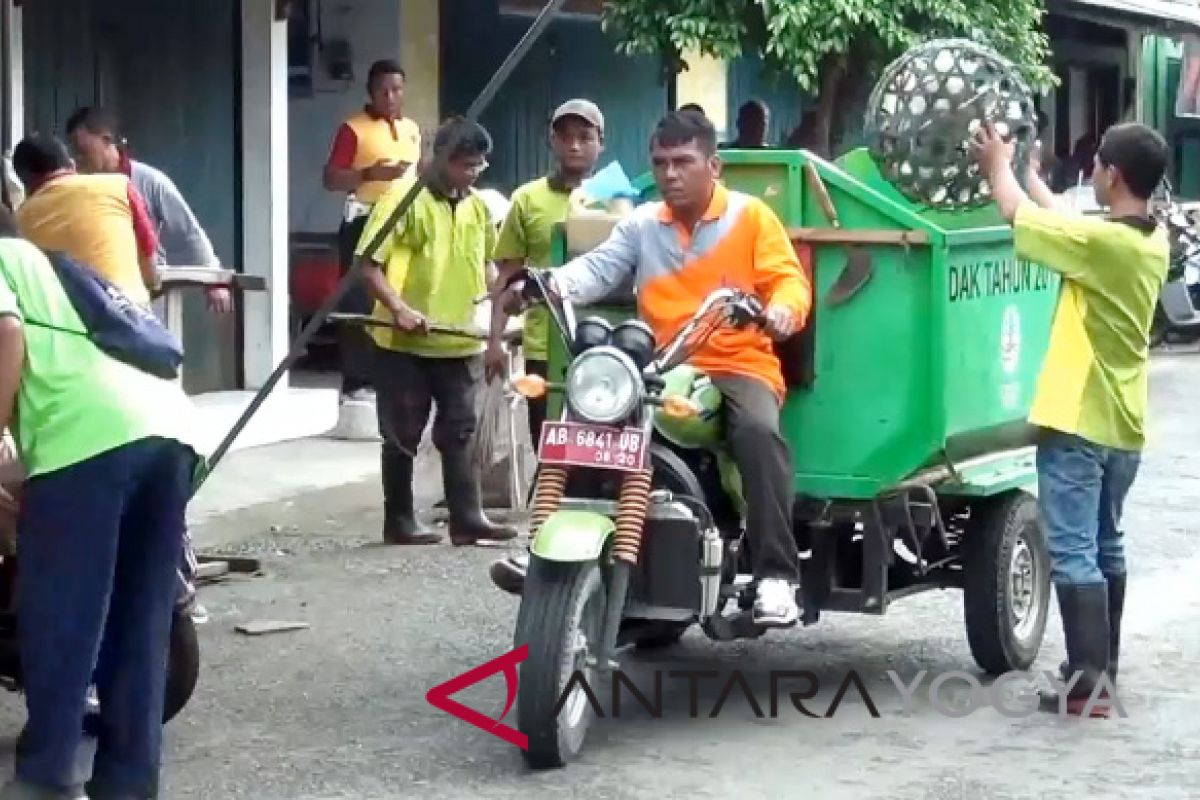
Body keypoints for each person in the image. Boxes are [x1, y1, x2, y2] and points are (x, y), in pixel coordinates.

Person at [493, 111, 810, 627]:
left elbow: (788, 284)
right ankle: (544, 546)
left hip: (735, 361)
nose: (669, 174)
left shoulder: (752, 218)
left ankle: (777, 577)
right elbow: (597, 269)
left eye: (683, 162)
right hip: (659, 364)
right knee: (581, 421)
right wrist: (547, 285)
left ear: (714, 165)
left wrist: (778, 311)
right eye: (660, 163)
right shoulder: (642, 223)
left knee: (757, 433)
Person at [0, 206, 199, 800]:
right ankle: (129, 782)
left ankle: (46, 777)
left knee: (64, 612)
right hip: (170, 433)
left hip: (89, 440)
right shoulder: (56, 268)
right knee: (139, 621)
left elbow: (6, 333)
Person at [974, 121, 1169, 716]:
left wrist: (996, 164)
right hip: (1124, 423)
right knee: (1107, 542)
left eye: (1097, 165)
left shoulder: (1103, 246)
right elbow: (1067, 221)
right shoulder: (1147, 239)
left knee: (1074, 549)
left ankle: (1087, 682)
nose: (1091, 173)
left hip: (1080, 420)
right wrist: (1032, 174)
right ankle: (1100, 669)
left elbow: (1016, 216)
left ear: (1111, 174)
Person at [355, 116, 518, 547]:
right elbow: (367, 264)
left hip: (458, 337)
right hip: (404, 340)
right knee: (402, 432)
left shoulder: (478, 207)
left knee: (459, 430)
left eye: (479, 167)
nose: (472, 174)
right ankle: (400, 520)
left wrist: (500, 307)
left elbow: (486, 266)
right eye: (465, 164)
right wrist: (399, 309)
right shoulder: (402, 201)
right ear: (439, 157)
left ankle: (467, 518)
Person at [485, 98, 606, 434]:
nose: (575, 145)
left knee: (598, 444)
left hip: (602, 340)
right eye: (565, 137)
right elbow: (508, 275)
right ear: (551, 142)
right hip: (543, 342)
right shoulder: (527, 199)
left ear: (601, 143)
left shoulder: (617, 198)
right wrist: (494, 342)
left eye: (585, 137)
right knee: (547, 441)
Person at [64, 106, 233, 314]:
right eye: (74, 152)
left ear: (107, 140)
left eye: (83, 151)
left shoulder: (149, 182)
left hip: (145, 295)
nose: (77, 158)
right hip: (95, 292)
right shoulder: (75, 187)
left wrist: (214, 280)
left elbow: (188, 232)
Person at [324, 59, 422, 402]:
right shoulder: (354, 129)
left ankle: (390, 375)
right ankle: (355, 382)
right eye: (384, 90)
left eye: (397, 89)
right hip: (363, 219)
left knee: (397, 296)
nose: (391, 97)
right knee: (357, 300)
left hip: (403, 221)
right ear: (371, 93)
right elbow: (331, 178)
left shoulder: (411, 128)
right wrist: (369, 174)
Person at [11, 134, 159, 306]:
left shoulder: (20, 220)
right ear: (72, 164)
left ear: (25, 183)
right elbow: (149, 257)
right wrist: (152, 284)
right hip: (129, 312)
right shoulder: (119, 186)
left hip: (66, 321)